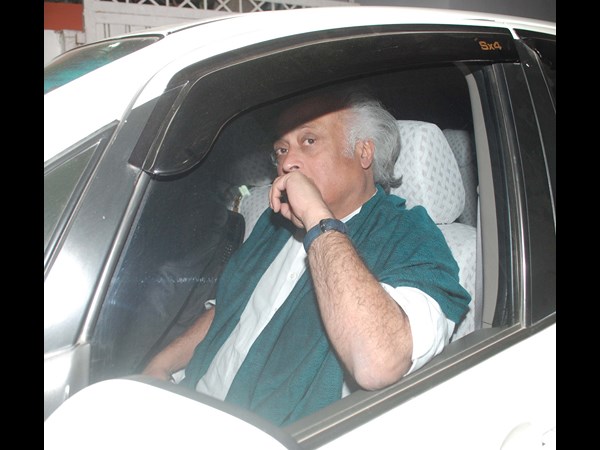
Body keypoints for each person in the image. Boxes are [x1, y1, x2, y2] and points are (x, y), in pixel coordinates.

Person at [142, 88, 471, 426]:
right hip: (193, 406)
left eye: (309, 141)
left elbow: (379, 363)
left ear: (363, 152)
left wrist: (317, 218)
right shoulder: (274, 225)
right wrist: (161, 365)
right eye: (281, 150)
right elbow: (230, 307)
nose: (286, 163)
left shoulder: (409, 235)